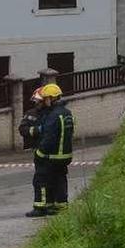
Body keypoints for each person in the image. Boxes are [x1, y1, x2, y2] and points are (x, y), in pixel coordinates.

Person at [24, 83, 74, 218]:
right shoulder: (67, 113)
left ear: (51, 98)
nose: (44, 102)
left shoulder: (53, 115)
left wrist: (40, 153)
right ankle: (60, 206)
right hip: (65, 156)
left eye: (45, 99)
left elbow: (49, 137)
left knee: (41, 180)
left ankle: (40, 207)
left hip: (51, 156)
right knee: (60, 180)